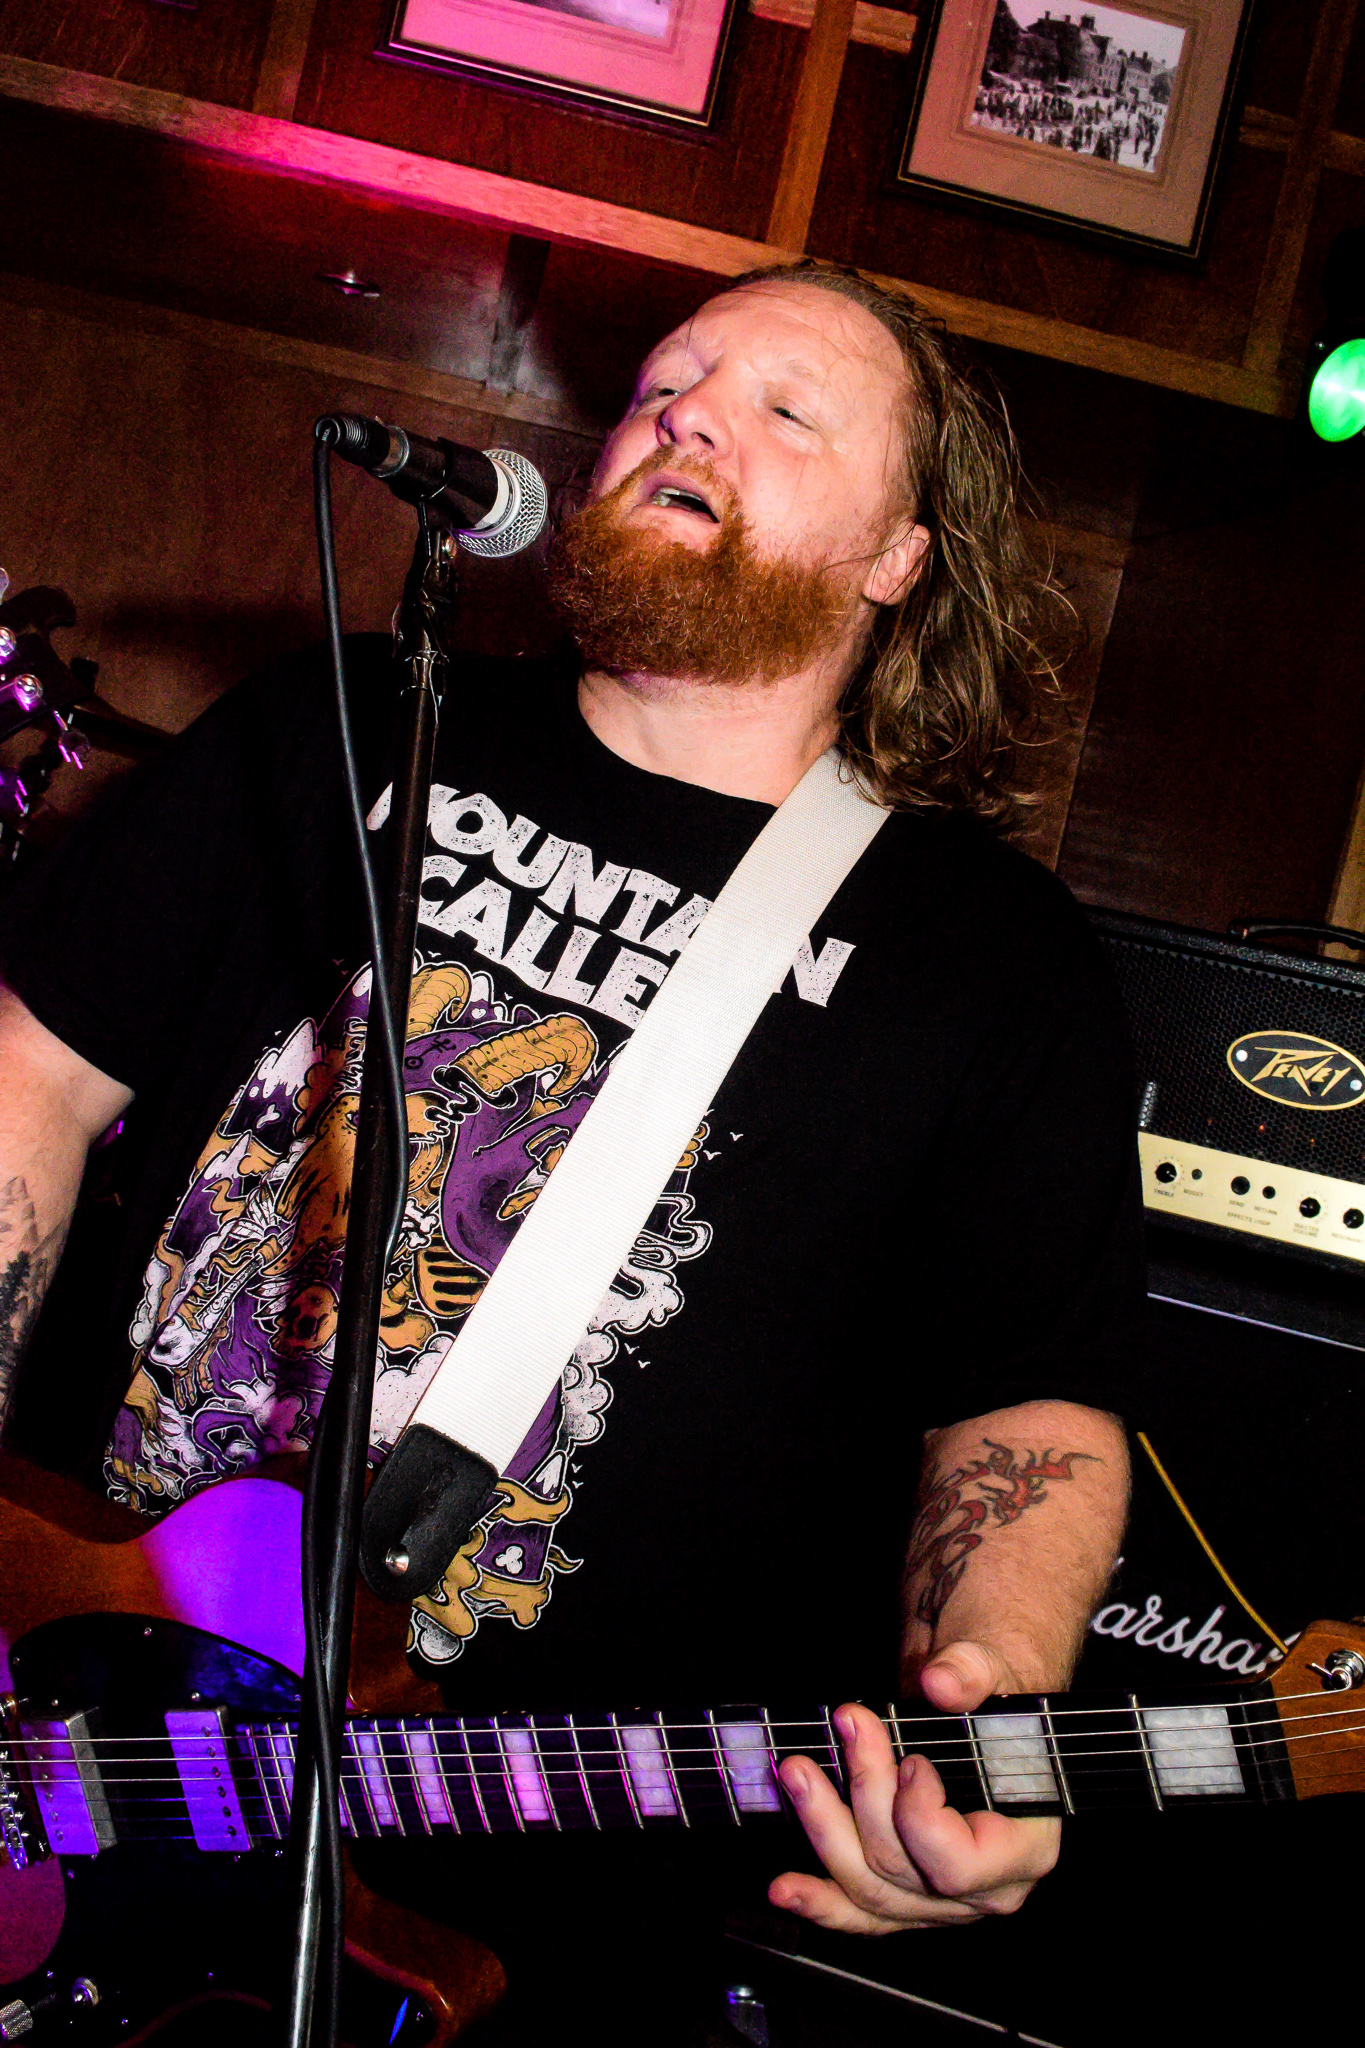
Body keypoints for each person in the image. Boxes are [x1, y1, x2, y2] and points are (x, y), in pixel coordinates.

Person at [0, 261, 1142, 2039]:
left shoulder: (989, 964)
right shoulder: (338, 722)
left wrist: (985, 1704)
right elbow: (32, 1080)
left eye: (783, 410)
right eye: (667, 384)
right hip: (71, 1721)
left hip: (525, 1887)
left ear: (897, 558)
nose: (689, 417)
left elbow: (1024, 1411)